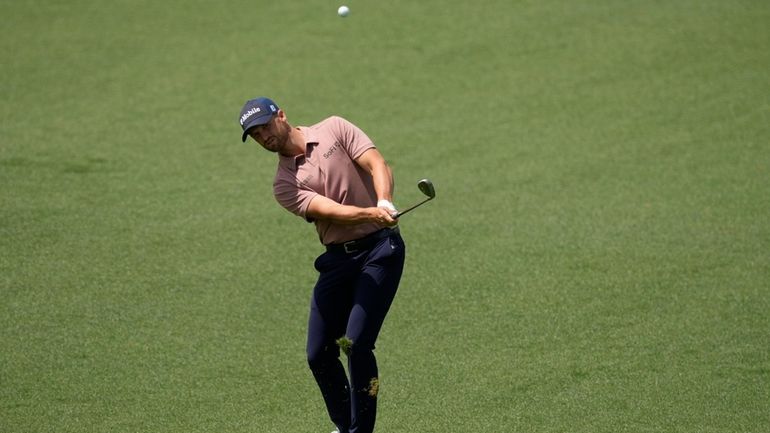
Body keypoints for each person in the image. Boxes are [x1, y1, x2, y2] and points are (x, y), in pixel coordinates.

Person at [238, 97, 406, 433]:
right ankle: (345, 426)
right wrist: (371, 213)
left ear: (282, 115)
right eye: (255, 135)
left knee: (357, 344)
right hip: (338, 261)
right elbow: (329, 210)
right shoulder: (284, 184)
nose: (264, 137)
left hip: (380, 252)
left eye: (265, 126)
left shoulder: (334, 128)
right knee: (318, 353)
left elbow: (376, 163)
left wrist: (384, 200)